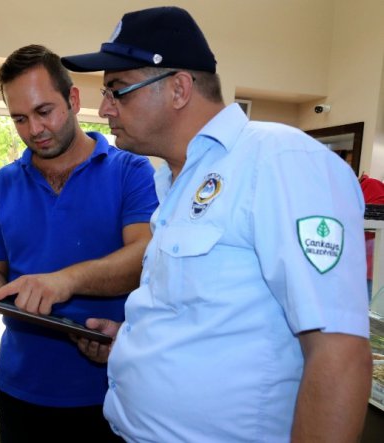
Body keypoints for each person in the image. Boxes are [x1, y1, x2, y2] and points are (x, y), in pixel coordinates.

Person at [60, 6, 372, 442]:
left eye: (118, 90)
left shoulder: (279, 161)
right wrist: (133, 341)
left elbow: (338, 351)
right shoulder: (173, 180)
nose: (103, 108)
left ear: (179, 89)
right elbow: (204, 314)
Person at [0, 44, 158, 443]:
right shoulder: (3, 184)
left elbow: (143, 259)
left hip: (108, 388)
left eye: (45, 112)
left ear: (74, 99)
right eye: (20, 119)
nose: (34, 130)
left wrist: (62, 281)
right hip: (20, 387)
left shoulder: (131, 171)